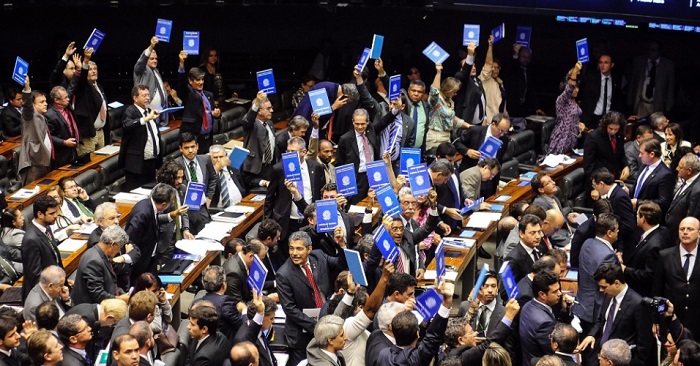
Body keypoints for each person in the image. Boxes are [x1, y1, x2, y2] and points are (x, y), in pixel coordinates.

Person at [276, 231, 348, 366]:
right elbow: (290, 309)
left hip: (325, 322)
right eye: (291, 248)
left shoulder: (319, 256)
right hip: (302, 336)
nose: (294, 253)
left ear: (309, 249)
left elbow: (340, 264)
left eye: (299, 248)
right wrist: (318, 328)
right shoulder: (283, 274)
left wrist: (341, 245)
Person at [578, 263, 653, 366]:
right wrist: (592, 334)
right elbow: (601, 321)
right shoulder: (609, 295)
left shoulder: (638, 304)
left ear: (616, 283)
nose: (601, 290)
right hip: (602, 357)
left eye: (604, 287)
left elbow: (644, 343)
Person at [375, 280, 454, 366]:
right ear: (417, 333)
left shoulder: (383, 354)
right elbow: (433, 336)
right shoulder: (414, 359)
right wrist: (447, 301)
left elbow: (433, 337)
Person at [265, 136, 325, 245]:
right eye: (287, 151)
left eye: (293, 151)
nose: (289, 154)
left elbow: (321, 194)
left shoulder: (316, 168)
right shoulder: (279, 169)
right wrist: (267, 223)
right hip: (286, 221)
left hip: (309, 221)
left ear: (303, 152)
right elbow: (269, 198)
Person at [653, 216, 700, 338]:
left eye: (690, 229)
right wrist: (657, 320)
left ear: (699, 233)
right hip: (670, 321)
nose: (685, 232)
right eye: (682, 229)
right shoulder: (665, 256)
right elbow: (658, 291)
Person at [335, 108, 392, 205]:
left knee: (376, 204)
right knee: (356, 205)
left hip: (374, 175)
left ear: (368, 122)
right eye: (357, 124)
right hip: (357, 178)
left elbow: (383, 122)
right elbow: (339, 163)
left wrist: (394, 111)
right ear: (353, 122)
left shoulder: (371, 131)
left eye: (363, 124)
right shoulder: (345, 139)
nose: (360, 127)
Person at [519, 271, 573, 366]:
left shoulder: (528, 305)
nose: (560, 294)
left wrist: (565, 310)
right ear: (542, 294)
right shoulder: (544, 323)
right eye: (555, 291)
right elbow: (555, 352)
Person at [618, 201, 669, 297]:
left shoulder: (654, 246)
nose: (636, 217)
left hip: (644, 293)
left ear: (643, 219)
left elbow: (649, 275)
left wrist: (625, 269)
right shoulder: (664, 231)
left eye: (637, 214)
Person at [125, 184, 174, 282]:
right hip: (140, 262)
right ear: (164, 204)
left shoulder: (148, 204)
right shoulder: (143, 213)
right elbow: (130, 239)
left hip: (149, 258)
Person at [118, 84, 163, 191]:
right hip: (136, 165)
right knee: (136, 194)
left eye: (148, 95)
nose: (148, 98)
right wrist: (146, 119)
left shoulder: (149, 111)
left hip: (151, 163)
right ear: (135, 97)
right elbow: (127, 125)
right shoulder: (130, 111)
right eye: (144, 95)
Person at [72, 225, 131, 305]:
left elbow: (110, 283)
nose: (119, 251)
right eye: (119, 247)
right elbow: (97, 294)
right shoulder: (94, 261)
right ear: (112, 245)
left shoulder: (100, 254)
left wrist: (122, 293)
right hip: (92, 309)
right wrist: (120, 299)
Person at [177, 50, 222, 154]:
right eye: (197, 80)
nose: (201, 82)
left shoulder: (209, 95)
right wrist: (181, 63)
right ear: (190, 81)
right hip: (195, 140)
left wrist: (217, 114)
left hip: (209, 139)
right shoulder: (189, 95)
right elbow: (181, 82)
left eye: (202, 79)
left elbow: (213, 113)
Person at [21, 195, 62, 301]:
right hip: (42, 296)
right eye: (52, 213)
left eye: (56, 212)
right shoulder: (31, 239)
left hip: (54, 286)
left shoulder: (46, 227)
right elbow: (35, 275)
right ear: (40, 214)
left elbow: (54, 255)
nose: (56, 216)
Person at [177, 132, 217, 234]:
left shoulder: (205, 159)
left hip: (202, 208)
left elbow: (213, 178)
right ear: (180, 149)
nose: (190, 150)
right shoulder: (175, 164)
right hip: (185, 210)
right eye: (186, 148)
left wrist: (209, 197)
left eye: (193, 147)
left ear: (197, 146)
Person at [72, 47, 110, 155]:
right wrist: (86, 61)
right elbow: (82, 79)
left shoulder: (99, 86)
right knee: (89, 168)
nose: (93, 71)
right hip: (88, 135)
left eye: (95, 69)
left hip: (101, 132)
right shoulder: (83, 86)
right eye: (90, 69)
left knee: (101, 164)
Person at [17, 74, 52, 185]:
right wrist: (27, 88)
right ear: (33, 104)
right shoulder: (29, 116)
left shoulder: (41, 116)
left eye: (45, 101)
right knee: (33, 193)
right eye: (41, 102)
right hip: (33, 163)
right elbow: (27, 105)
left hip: (43, 160)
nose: (46, 104)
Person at [426, 62, 469, 150]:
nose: (456, 94)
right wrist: (438, 73)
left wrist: (469, 126)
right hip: (435, 138)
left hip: (446, 137)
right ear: (448, 89)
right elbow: (434, 91)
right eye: (454, 91)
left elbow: (452, 119)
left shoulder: (450, 101)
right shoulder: (436, 100)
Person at [627, 40, 675, 118]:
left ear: (659, 51)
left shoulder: (668, 65)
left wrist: (668, 106)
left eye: (653, 50)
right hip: (641, 102)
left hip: (657, 103)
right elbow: (632, 82)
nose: (651, 52)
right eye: (649, 49)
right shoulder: (639, 61)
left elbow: (670, 87)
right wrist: (629, 100)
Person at [590, 168, 636, 249]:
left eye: (594, 185)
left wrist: (612, 234)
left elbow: (629, 225)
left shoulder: (620, 197)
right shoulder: (612, 194)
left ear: (601, 184)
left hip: (623, 245)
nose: (595, 189)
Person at [239, 91, 276, 189]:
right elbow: (247, 120)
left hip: (269, 167)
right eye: (268, 108)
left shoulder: (270, 124)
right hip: (254, 168)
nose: (272, 110)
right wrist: (256, 103)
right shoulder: (251, 125)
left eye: (271, 108)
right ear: (258, 111)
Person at [583, 111, 629, 186]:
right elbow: (589, 166)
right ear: (605, 125)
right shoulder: (593, 137)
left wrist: (626, 166)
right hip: (599, 182)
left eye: (616, 129)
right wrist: (594, 186)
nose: (613, 132)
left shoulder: (619, 135)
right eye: (610, 128)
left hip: (614, 179)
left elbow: (621, 153)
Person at [199, 265, 245, 341]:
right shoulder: (225, 302)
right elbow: (243, 325)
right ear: (224, 285)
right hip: (227, 346)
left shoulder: (198, 302)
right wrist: (244, 310)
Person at [579, 53, 624, 129]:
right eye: (600, 62)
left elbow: (617, 101)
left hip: (608, 119)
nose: (602, 65)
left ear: (612, 65)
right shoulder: (591, 77)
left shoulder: (615, 80)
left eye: (606, 62)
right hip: (591, 118)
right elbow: (581, 93)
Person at [631, 138, 674, 214]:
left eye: (642, 153)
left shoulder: (665, 174)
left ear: (652, 154)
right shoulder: (644, 165)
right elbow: (639, 188)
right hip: (635, 213)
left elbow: (664, 202)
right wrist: (629, 191)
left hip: (649, 217)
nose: (639, 156)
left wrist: (638, 203)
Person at [233, 291, 276, 366]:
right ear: (261, 318)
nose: (273, 321)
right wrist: (260, 312)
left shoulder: (258, 330)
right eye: (271, 318)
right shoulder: (243, 341)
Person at [549, 62, 583, 154]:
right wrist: (575, 71)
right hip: (561, 139)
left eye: (577, 87)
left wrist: (580, 124)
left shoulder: (575, 101)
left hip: (572, 140)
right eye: (574, 88)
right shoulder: (562, 99)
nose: (576, 90)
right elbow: (569, 89)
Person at [44, 86, 79, 169]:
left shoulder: (68, 108)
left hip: (73, 150)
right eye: (65, 97)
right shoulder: (50, 115)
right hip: (61, 154)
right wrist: (64, 142)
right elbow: (49, 137)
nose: (68, 99)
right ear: (56, 100)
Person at [667, 153, 700, 242]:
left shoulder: (697, 190)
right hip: (671, 233)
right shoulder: (688, 181)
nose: (677, 169)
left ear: (689, 171)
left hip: (679, 238)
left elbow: (691, 216)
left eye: (680, 167)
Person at [504, 214, 546, 282]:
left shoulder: (540, 248)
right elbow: (508, 291)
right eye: (533, 233)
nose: (538, 236)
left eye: (539, 232)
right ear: (521, 234)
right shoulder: (513, 259)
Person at [133, 37, 168, 117]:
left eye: (156, 59)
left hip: (160, 113)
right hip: (147, 114)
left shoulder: (156, 71)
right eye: (151, 59)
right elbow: (141, 61)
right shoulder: (142, 69)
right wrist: (151, 46)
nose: (155, 61)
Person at [455, 42, 487, 126]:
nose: (473, 68)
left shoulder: (477, 80)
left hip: (480, 124)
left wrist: (485, 117)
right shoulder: (460, 80)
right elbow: (464, 74)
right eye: (470, 66)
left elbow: (482, 99)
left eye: (474, 66)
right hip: (466, 125)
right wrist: (470, 55)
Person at [480, 36, 507, 126]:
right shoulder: (485, 79)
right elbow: (488, 64)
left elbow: (502, 103)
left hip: (500, 120)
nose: (496, 70)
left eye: (497, 68)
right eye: (493, 67)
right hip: (489, 122)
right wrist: (490, 46)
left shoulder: (500, 82)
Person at [209, 144, 247, 208]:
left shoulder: (234, 168)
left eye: (221, 157)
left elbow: (247, 180)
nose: (218, 160)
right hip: (218, 210)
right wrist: (216, 170)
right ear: (210, 158)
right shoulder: (208, 172)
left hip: (241, 205)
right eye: (215, 157)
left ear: (226, 156)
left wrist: (263, 182)